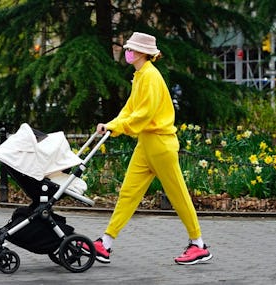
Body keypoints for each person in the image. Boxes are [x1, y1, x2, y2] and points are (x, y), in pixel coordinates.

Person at [83, 32, 213, 265]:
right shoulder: (140, 75)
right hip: (146, 144)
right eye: (127, 49)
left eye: (131, 50)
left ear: (144, 53)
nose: (127, 53)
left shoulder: (151, 76)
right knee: (128, 193)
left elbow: (143, 114)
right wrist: (112, 125)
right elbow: (130, 108)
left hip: (161, 144)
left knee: (178, 194)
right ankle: (106, 243)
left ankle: (199, 245)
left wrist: (118, 127)